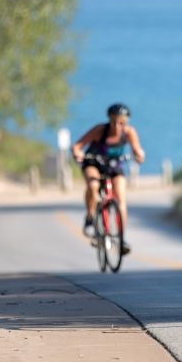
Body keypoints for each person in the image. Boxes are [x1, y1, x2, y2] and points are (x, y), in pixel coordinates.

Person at [72, 103, 146, 255]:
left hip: (113, 166)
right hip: (93, 162)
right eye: (115, 122)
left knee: (121, 198)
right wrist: (78, 153)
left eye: (122, 122)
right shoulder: (100, 130)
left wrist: (139, 155)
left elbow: (137, 149)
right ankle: (90, 215)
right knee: (93, 185)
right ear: (109, 120)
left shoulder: (129, 132)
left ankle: (121, 237)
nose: (118, 125)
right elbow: (77, 145)